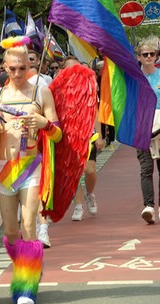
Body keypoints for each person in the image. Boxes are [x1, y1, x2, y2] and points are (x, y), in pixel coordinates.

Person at [0, 38, 61, 304]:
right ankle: (29, 264)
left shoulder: (41, 92)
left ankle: (26, 286)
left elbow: (58, 135)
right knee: (11, 230)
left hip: (31, 166)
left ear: (30, 66)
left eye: (22, 68)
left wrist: (44, 123)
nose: (17, 74)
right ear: (4, 66)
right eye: (12, 68)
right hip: (4, 169)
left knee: (29, 224)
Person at [62, 58, 104, 221]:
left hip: (88, 134)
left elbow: (95, 112)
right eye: (69, 68)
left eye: (76, 67)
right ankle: (78, 205)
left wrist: (99, 135)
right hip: (68, 136)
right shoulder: (58, 88)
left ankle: (90, 194)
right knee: (73, 173)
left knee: (89, 170)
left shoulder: (88, 87)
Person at [136, 38, 160, 224]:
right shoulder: (133, 78)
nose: (148, 57)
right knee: (146, 168)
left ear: (156, 56)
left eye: (152, 54)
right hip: (142, 128)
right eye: (145, 54)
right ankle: (148, 206)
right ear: (138, 57)